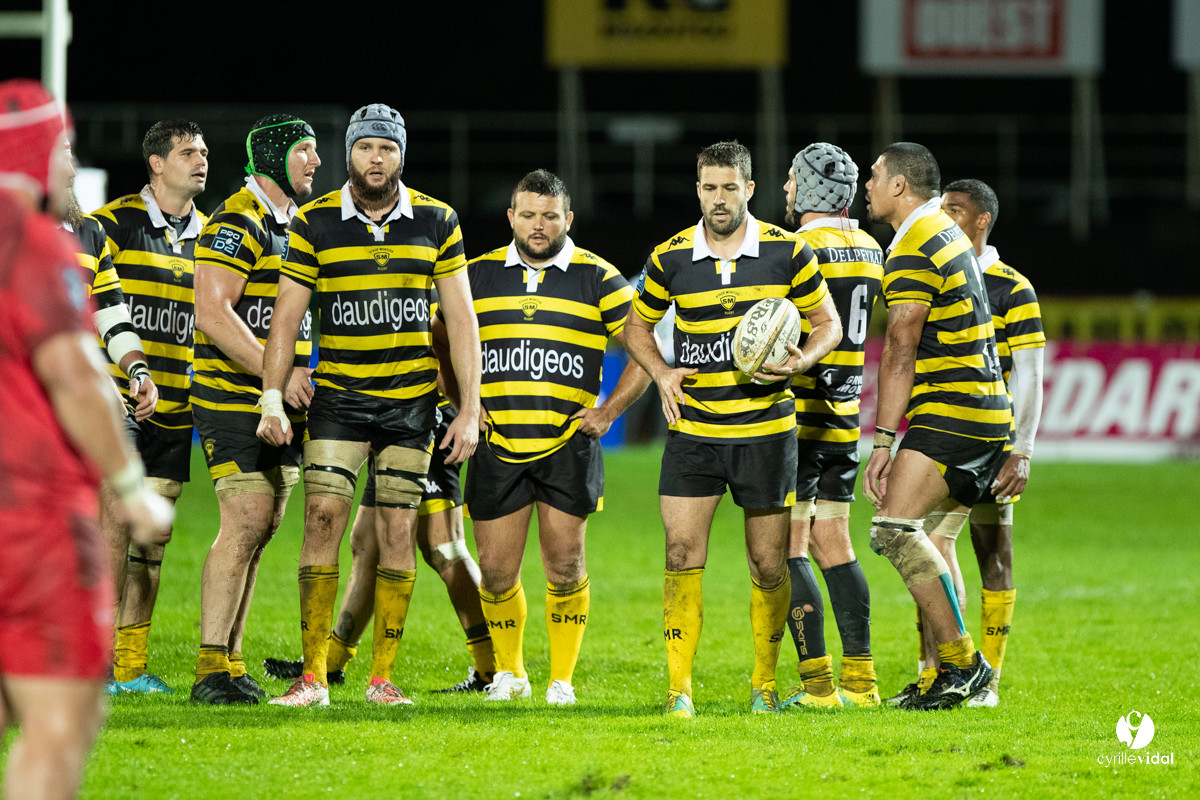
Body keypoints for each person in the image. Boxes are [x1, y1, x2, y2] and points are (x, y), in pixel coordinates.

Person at [258, 104, 481, 707]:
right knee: (323, 522)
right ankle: (312, 679)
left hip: (411, 402)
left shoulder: (438, 220)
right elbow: (286, 315)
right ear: (349, 153)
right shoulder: (314, 221)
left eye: (386, 148)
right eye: (364, 148)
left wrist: (469, 408)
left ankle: (381, 678)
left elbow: (461, 319)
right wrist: (272, 394)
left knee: (395, 530)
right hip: (340, 399)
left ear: (401, 155)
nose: (375, 159)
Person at [622, 141, 841, 717]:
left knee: (769, 564)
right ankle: (679, 690)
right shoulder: (670, 257)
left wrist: (800, 361)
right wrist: (662, 372)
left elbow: (828, 324)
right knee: (680, 552)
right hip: (693, 431)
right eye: (709, 187)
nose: (719, 198)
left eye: (730, 187)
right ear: (697, 190)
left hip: (767, 433)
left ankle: (763, 685)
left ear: (750, 189)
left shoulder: (786, 251)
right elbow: (635, 327)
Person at [0, 77, 172, 800]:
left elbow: (111, 318)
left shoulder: (83, 235)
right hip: (29, 509)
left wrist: (132, 362)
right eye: (65, 147)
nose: (72, 163)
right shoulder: (37, 244)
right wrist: (132, 488)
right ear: (39, 154)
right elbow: (73, 374)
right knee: (62, 716)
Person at [451, 169, 650, 706]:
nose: (539, 226)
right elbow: (438, 340)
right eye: (529, 214)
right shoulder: (476, 275)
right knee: (494, 570)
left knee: (566, 564)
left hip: (567, 444)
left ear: (569, 219)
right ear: (511, 216)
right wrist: (465, 407)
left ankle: (561, 680)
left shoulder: (599, 278)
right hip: (497, 444)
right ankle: (510, 674)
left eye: (551, 215)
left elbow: (644, 350)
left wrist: (608, 412)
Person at [861, 142, 1011, 710]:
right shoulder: (946, 234)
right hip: (985, 410)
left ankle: (963, 665)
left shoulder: (914, 247)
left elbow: (899, 348)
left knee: (893, 529)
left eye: (875, 176)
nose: (868, 185)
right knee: (934, 541)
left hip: (954, 413)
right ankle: (944, 674)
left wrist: (881, 440)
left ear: (899, 186)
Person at [188, 115, 322, 705]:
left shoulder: (294, 224)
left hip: (284, 401)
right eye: (306, 152)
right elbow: (212, 313)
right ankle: (209, 668)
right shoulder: (237, 219)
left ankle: (232, 660)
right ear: (273, 159)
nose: (317, 162)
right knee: (244, 522)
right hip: (232, 396)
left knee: (263, 527)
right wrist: (279, 373)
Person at [263, 398, 497, 693]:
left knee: (444, 547)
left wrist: (465, 405)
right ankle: (333, 660)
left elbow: (453, 354)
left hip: (422, 414)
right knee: (366, 543)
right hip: (387, 416)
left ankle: (492, 666)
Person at [92, 119, 208, 693]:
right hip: (115, 398)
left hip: (175, 404)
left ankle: (132, 666)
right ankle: (98, 661)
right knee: (113, 523)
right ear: (156, 164)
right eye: (188, 152)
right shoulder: (110, 225)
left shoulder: (213, 237)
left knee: (152, 540)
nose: (202, 159)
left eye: (205, 151)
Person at [777, 143, 884, 710]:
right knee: (834, 540)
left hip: (796, 414)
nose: (787, 191)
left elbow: (774, 326)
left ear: (810, 188)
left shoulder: (798, 247)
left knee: (789, 546)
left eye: (793, 182)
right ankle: (862, 682)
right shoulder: (871, 247)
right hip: (844, 414)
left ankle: (818, 685)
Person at [940, 178, 1045, 708]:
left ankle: (990, 681)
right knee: (926, 548)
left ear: (982, 220)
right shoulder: (934, 279)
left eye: (955, 210)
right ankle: (936, 670)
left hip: (993, 441)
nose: (945, 218)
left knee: (992, 552)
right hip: (941, 436)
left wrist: (1021, 448)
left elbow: (1029, 374)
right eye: (942, 209)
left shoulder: (1012, 288)